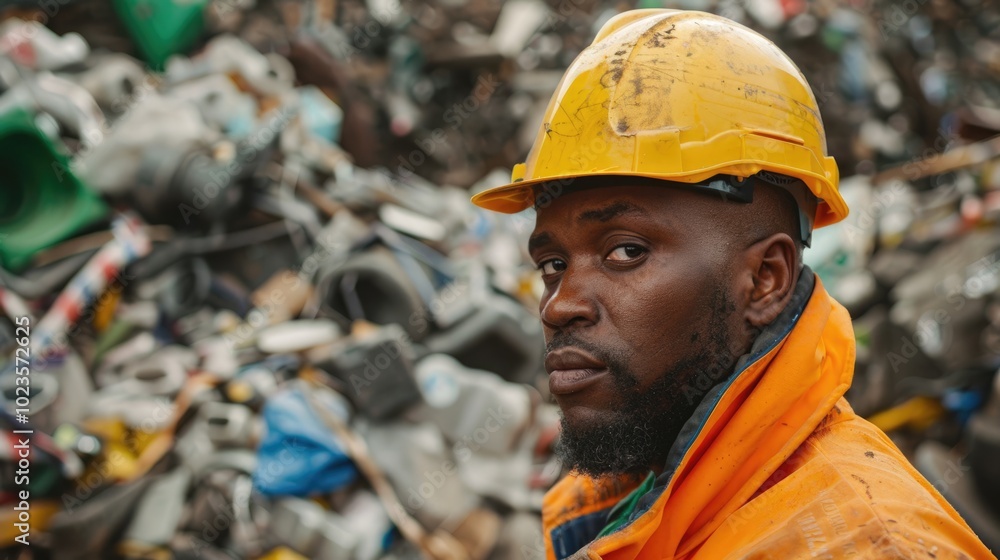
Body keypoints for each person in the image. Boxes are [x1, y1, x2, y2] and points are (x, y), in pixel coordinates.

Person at [472, 9, 994, 560]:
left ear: (765, 280)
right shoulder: (634, 489)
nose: (560, 306)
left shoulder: (864, 545)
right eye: (552, 264)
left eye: (626, 251)